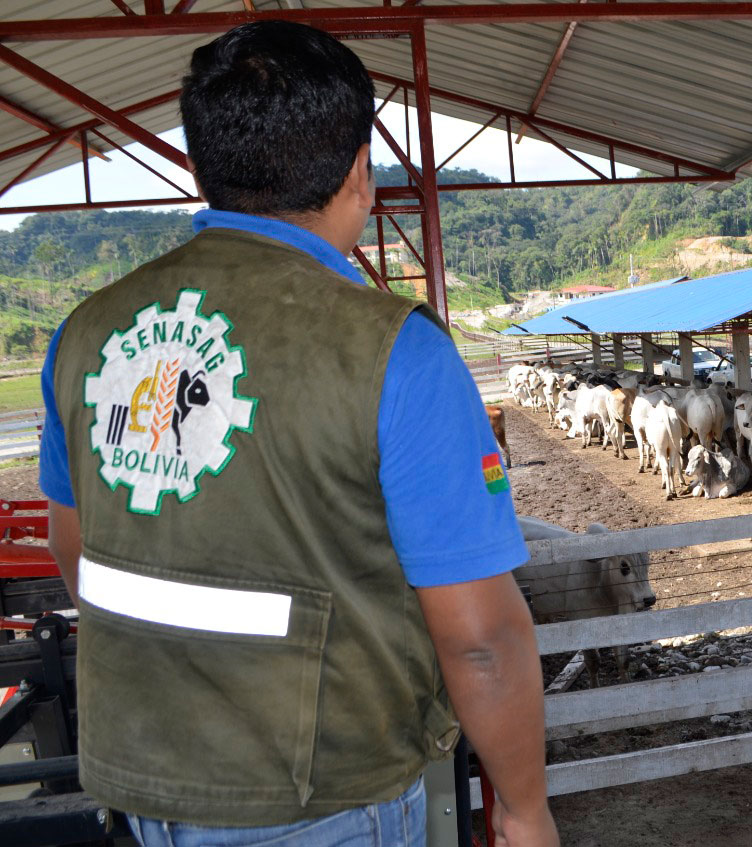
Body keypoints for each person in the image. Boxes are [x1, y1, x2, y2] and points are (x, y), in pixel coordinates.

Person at [38, 22, 557, 847]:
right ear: (360, 170)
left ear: (200, 167)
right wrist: (525, 810)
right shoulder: (396, 350)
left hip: (141, 788)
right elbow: (483, 638)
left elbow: (80, 556)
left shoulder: (85, 334)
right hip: (324, 801)